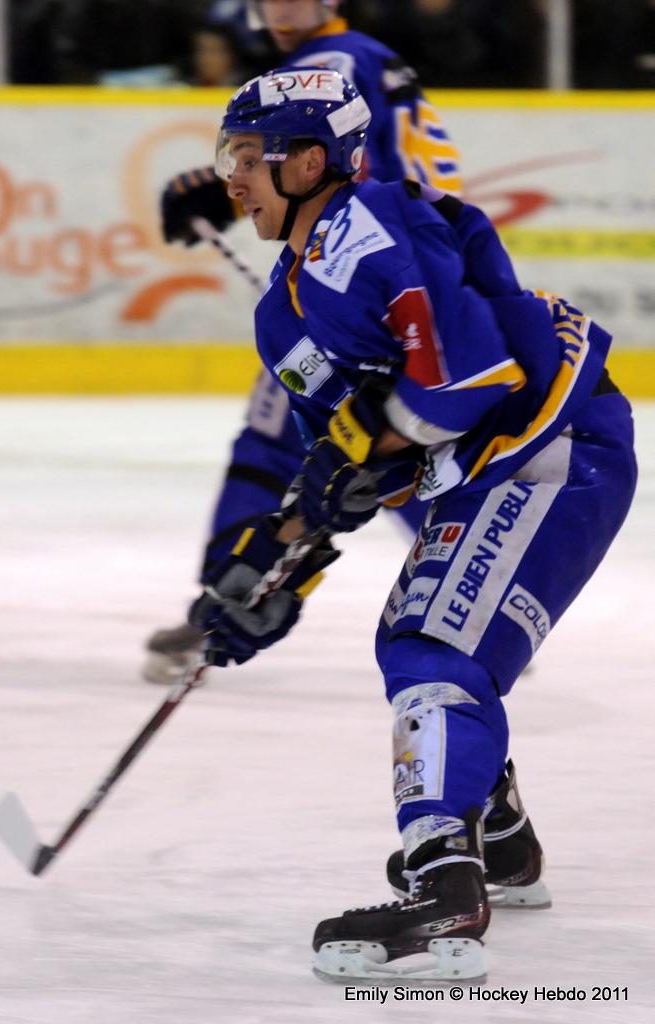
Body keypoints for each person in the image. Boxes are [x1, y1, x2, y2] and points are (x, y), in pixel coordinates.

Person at [185, 70, 637, 983]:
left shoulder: (375, 226)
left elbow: (466, 379)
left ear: (309, 162)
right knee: (422, 642)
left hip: (551, 447)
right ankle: (497, 840)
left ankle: (445, 890)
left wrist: (363, 444)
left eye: (249, 156)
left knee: (433, 647)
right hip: (487, 469)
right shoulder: (282, 309)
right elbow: (347, 469)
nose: (232, 177)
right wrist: (273, 571)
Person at [145, 0, 462, 684]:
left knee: (291, 442)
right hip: (402, 271)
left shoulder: (328, 63)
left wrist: (218, 191)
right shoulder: (372, 56)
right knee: (387, 445)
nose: (282, 8)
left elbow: (317, 160)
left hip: (363, 281)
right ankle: (462, 580)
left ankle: (224, 601)